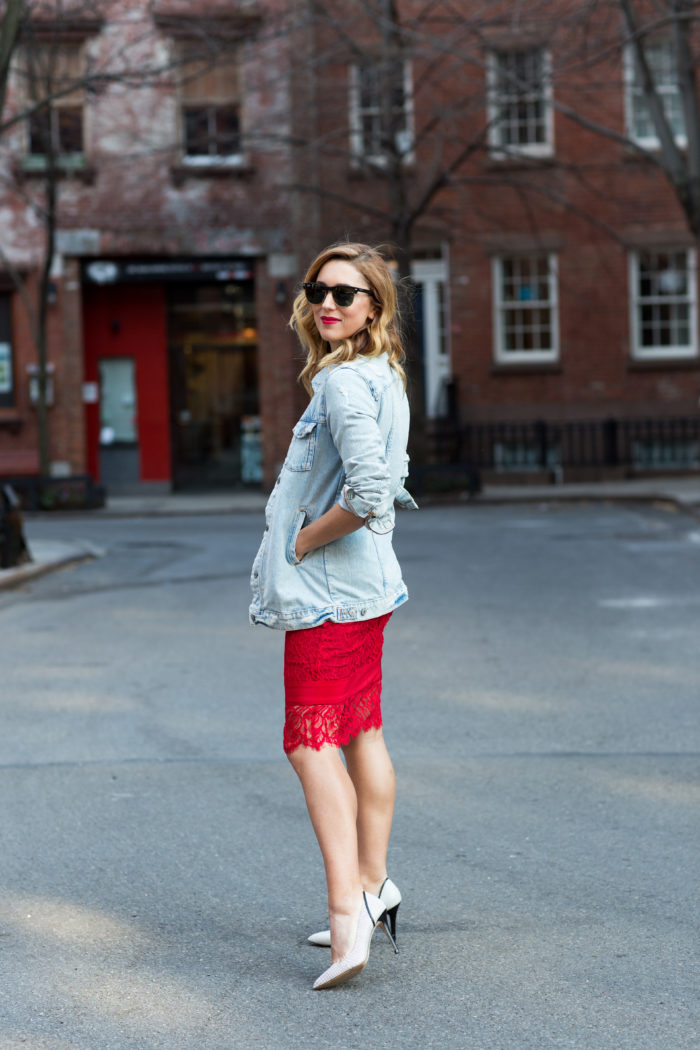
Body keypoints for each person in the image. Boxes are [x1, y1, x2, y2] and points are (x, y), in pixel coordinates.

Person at [249, 241, 417, 990]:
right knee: (359, 730)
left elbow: (373, 489)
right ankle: (375, 886)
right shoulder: (383, 376)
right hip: (369, 591)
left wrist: (303, 539)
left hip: (330, 596)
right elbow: (395, 477)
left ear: (373, 308)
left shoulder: (346, 385)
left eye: (346, 295)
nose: (328, 303)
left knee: (308, 742)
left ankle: (347, 914)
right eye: (319, 289)